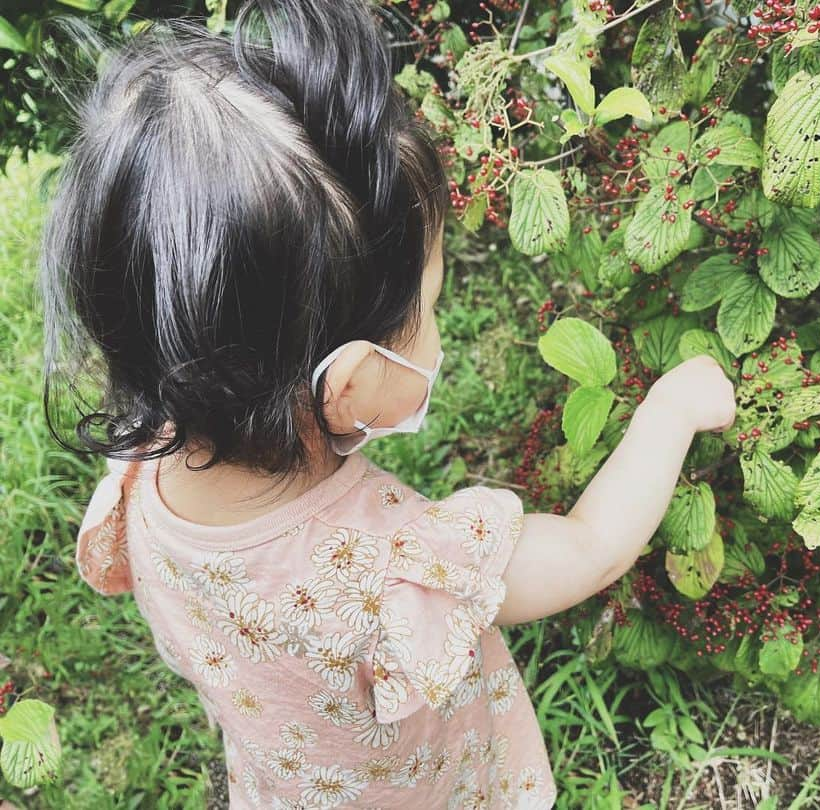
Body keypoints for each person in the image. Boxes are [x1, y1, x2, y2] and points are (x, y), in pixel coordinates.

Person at [39, 0, 736, 806]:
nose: (436, 329)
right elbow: (590, 548)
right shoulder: (390, 569)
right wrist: (671, 410)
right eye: (430, 307)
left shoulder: (141, 485)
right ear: (349, 385)